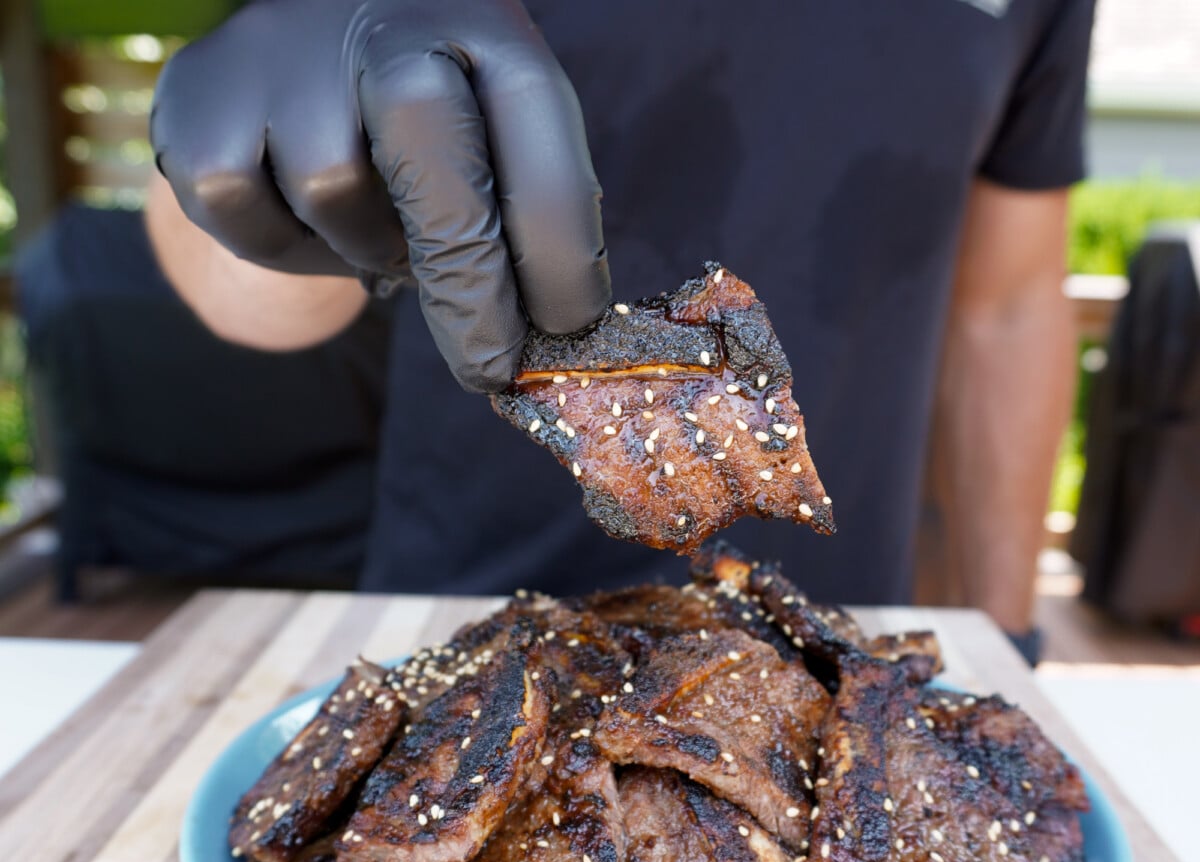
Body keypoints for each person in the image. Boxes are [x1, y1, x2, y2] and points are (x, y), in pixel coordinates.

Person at [147, 0, 1096, 657]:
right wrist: (268, 155)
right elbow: (253, 305)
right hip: (451, 616)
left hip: (829, 634)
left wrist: (1006, 633)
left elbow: (1008, 305)